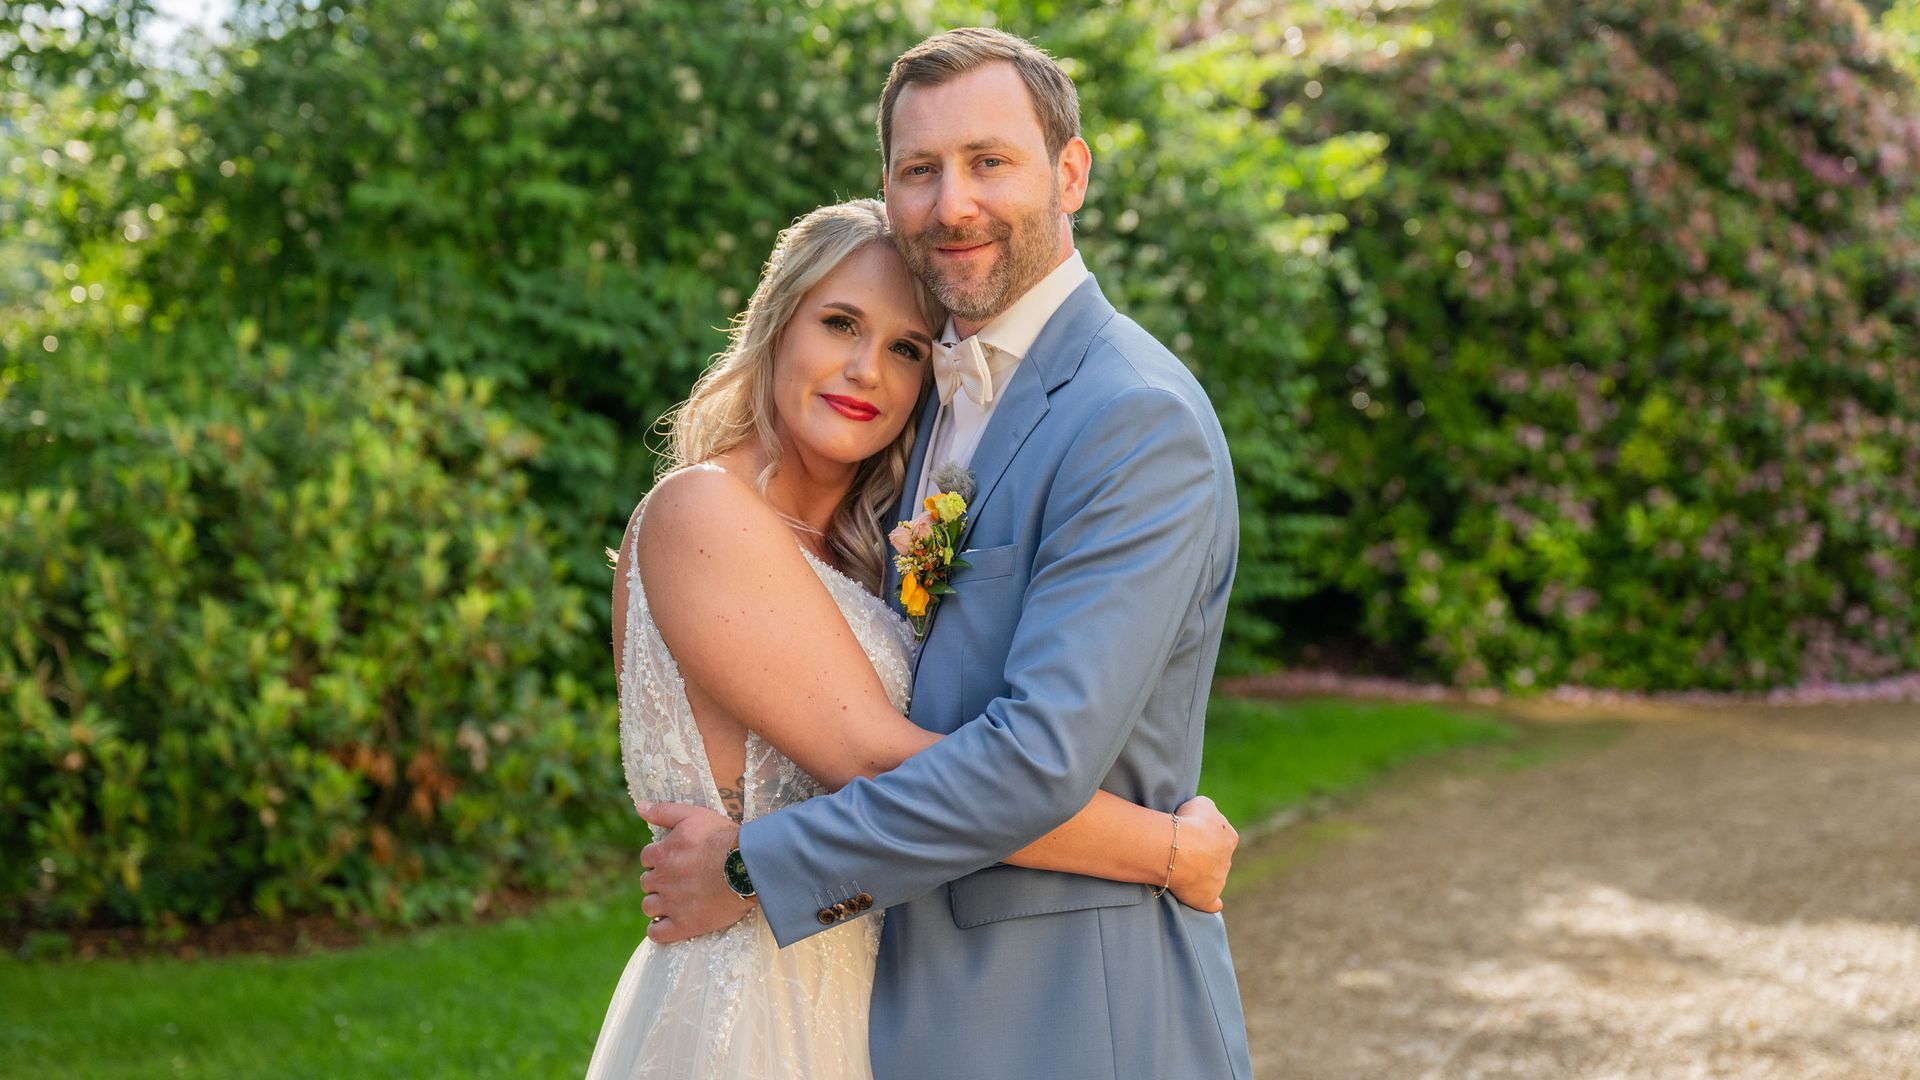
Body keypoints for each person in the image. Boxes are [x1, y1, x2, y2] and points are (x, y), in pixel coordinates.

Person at [634, 27, 1255, 1080]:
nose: (952, 202)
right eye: (920, 170)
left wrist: (755, 866)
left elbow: (1036, 760)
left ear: (1070, 172)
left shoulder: (1131, 419)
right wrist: (1164, 843)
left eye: (989, 161)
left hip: (1065, 1014)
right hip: (871, 1001)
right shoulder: (916, 418)